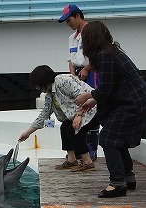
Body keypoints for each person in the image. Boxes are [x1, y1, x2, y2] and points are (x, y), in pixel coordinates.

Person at [75, 21, 146, 198]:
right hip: (141, 100)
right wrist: (93, 101)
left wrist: (87, 96)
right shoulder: (110, 52)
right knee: (117, 139)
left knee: (108, 138)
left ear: (91, 39)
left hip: (134, 102)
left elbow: (106, 89)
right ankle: (128, 178)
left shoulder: (105, 55)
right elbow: (110, 88)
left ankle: (117, 184)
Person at [19, 65, 99, 172]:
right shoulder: (49, 94)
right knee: (64, 127)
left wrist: (79, 115)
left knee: (73, 130)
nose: (38, 88)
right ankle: (72, 160)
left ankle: (88, 162)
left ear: (45, 81)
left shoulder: (63, 81)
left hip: (92, 109)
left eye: (38, 85)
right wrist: (27, 132)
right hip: (79, 114)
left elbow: (82, 96)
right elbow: (44, 114)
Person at [58, 4, 100, 161]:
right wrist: (72, 75)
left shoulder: (91, 32)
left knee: (92, 105)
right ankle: (79, 149)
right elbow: (71, 59)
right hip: (77, 73)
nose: (68, 24)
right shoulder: (72, 38)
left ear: (77, 16)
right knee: (77, 105)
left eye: (69, 20)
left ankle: (91, 147)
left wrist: (87, 69)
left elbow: (96, 55)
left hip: (91, 72)